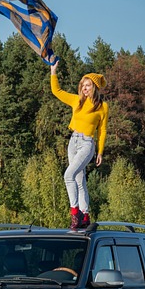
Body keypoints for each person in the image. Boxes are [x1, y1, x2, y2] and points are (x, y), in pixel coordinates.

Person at [50, 60, 109, 230]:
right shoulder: (77, 101)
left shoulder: (102, 107)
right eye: (83, 85)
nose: (84, 88)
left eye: (88, 85)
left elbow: (102, 130)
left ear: (95, 87)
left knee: (68, 175)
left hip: (87, 144)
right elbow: (57, 91)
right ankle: (85, 215)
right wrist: (53, 71)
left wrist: (100, 152)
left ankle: (75, 214)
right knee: (79, 180)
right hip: (73, 142)